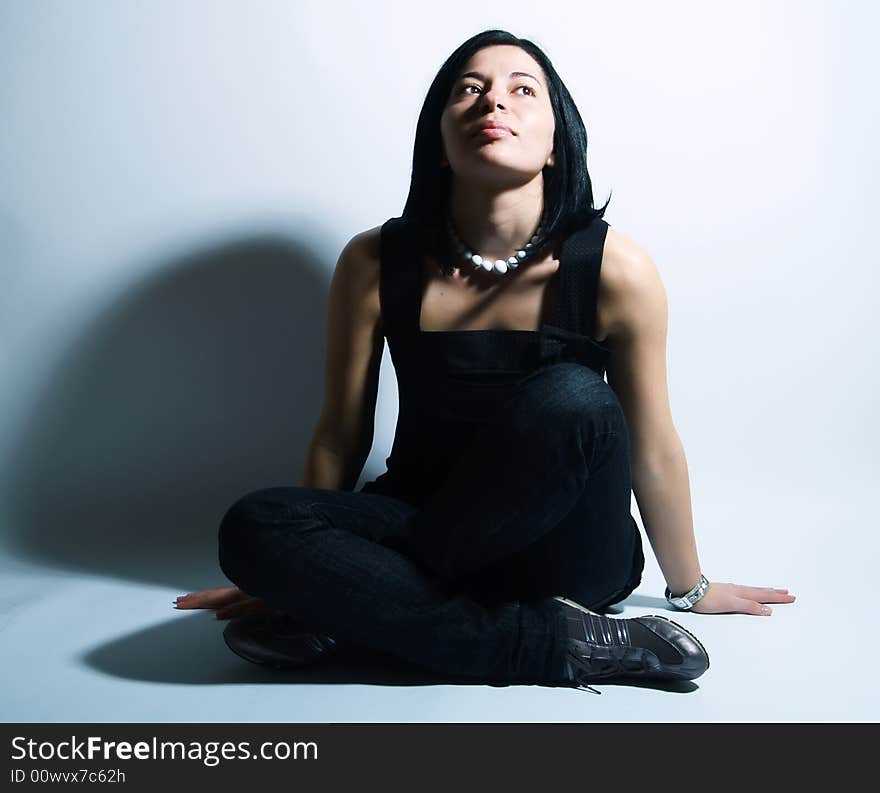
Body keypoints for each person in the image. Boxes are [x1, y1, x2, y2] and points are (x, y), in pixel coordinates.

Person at [174, 30, 795, 693]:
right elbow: (340, 432)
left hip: (568, 553)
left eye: (522, 90)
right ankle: (548, 641)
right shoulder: (373, 263)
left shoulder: (618, 267)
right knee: (254, 526)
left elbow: (654, 445)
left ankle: (372, 610)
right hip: (421, 514)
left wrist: (689, 586)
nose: (492, 100)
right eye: (469, 89)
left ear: (557, 143)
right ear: (438, 140)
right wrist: (299, 562)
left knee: (574, 398)